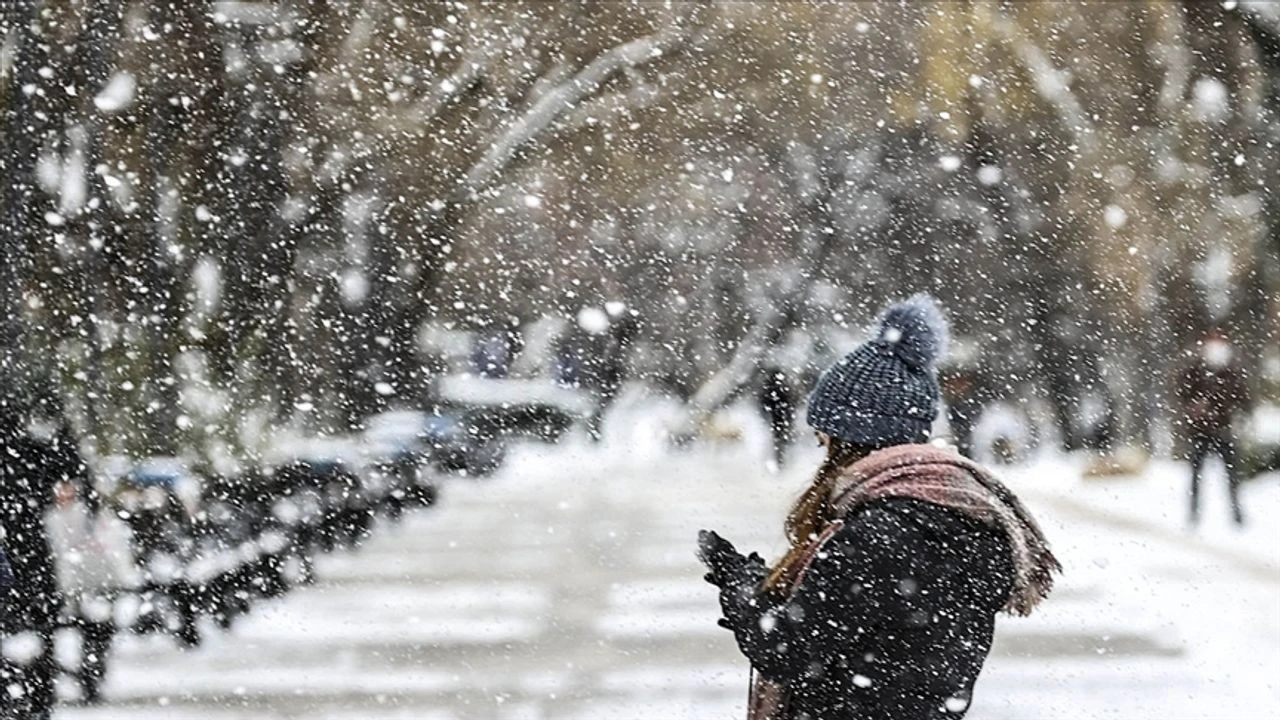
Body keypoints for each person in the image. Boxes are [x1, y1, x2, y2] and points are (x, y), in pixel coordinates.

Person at [697, 295, 1060, 720]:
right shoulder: (965, 515)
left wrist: (741, 587)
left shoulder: (879, 535)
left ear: (852, 436)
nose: (822, 447)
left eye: (826, 436)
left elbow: (788, 649)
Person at [1176, 329, 1250, 527]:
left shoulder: (1232, 370)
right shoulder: (1195, 369)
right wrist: (1194, 408)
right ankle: (1194, 512)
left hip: (1224, 431)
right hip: (1200, 432)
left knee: (1232, 475)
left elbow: (1242, 398)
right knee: (1196, 475)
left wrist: (1241, 418)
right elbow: (1182, 392)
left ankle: (1237, 514)